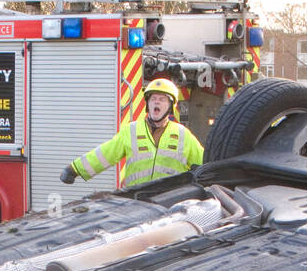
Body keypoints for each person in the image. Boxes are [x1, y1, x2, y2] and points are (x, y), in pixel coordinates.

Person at [61, 79, 203, 189]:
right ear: (147, 103)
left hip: (169, 203)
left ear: (171, 105)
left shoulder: (183, 135)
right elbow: (105, 153)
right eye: (153, 99)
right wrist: (75, 169)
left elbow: (204, 162)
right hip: (136, 200)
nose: (156, 102)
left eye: (162, 99)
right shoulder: (132, 130)